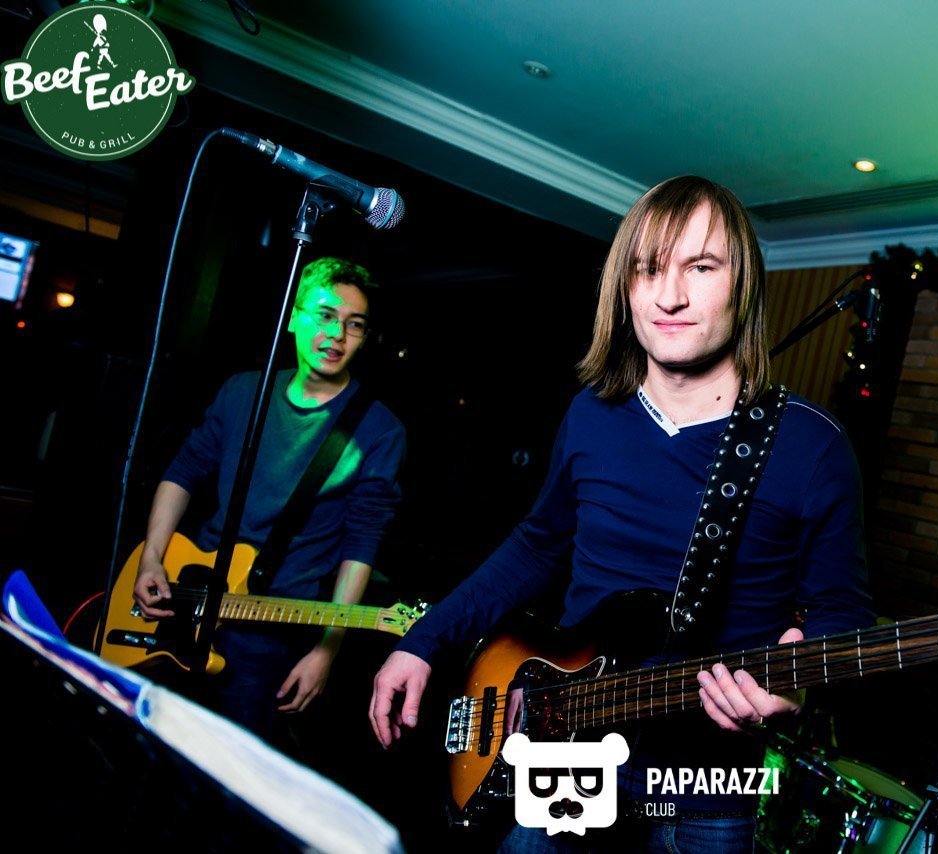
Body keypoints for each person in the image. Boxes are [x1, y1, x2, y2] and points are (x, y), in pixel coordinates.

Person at [368, 176, 873, 852]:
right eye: (648, 269)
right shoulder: (593, 415)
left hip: (705, 787)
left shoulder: (812, 445)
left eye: (701, 267)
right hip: (567, 754)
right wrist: (424, 640)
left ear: (743, 285)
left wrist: (797, 685)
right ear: (624, 287)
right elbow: (537, 544)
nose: (669, 296)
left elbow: (842, 609)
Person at [134, 256, 406, 743]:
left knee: (229, 768)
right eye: (325, 315)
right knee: (146, 744)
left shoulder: (379, 428)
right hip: (186, 594)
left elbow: (362, 542)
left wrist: (326, 650)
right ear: (294, 318)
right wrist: (151, 557)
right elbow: (184, 472)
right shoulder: (244, 391)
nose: (337, 334)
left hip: (271, 633)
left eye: (354, 324)